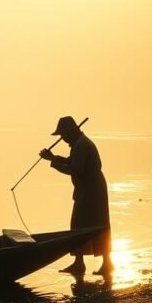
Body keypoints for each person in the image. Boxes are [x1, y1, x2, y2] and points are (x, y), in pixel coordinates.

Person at [39, 116, 113, 275]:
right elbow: (72, 162)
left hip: (92, 190)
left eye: (64, 134)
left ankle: (105, 263)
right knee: (80, 224)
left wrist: (52, 162)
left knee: (95, 224)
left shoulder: (82, 145)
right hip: (87, 189)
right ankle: (79, 263)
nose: (62, 138)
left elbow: (75, 170)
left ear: (71, 132)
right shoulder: (78, 144)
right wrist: (53, 158)